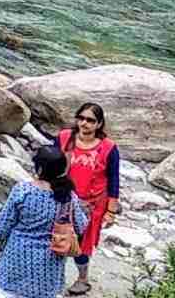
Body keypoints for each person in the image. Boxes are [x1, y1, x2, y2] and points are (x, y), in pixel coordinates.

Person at [0, 146, 88, 298]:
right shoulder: (67, 197)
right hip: (49, 266)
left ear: (40, 169)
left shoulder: (23, 191)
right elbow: (81, 226)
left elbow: (4, 225)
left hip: (16, 259)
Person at [58, 103, 120, 296]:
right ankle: (51, 275)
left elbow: (114, 180)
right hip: (63, 199)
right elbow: (50, 162)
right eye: (81, 118)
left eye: (90, 120)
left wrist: (110, 211)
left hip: (91, 205)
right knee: (56, 237)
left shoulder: (109, 148)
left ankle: (83, 278)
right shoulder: (65, 138)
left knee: (82, 244)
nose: (84, 123)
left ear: (99, 124)